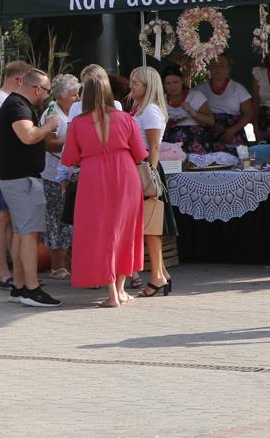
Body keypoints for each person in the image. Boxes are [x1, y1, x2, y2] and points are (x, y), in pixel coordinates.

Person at [61, 69, 148, 308]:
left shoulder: (78, 123)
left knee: (99, 232)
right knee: (125, 231)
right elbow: (140, 153)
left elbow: (70, 158)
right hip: (125, 175)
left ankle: (111, 292)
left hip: (93, 177)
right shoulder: (126, 119)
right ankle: (120, 289)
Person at [0, 69, 62, 308]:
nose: (47, 96)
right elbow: (28, 136)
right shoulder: (17, 106)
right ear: (37, 89)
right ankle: (32, 289)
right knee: (29, 234)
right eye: (47, 91)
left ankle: (19, 286)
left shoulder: (17, 104)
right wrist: (49, 126)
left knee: (22, 233)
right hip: (21, 180)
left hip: (20, 178)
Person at [0, 60, 30, 289]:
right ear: (19, 80)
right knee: (2, 219)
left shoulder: (8, 99)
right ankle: (3, 273)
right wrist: (22, 147)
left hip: (9, 169)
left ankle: (16, 271)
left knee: (10, 220)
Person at [129, 66, 173, 297]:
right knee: (147, 226)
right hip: (140, 168)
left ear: (148, 87)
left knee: (150, 226)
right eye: (131, 81)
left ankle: (157, 275)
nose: (131, 86)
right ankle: (161, 273)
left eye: (136, 82)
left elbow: (154, 147)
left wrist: (151, 176)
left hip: (146, 169)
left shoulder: (150, 111)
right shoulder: (139, 109)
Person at [42, 73, 80, 280]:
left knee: (69, 220)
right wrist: (74, 142)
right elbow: (49, 143)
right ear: (61, 96)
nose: (78, 98)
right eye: (74, 94)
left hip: (69, 173)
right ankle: (57, 266)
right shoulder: (52, 112)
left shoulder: (73, 110)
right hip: (53, 175)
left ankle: (70, 263)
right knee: (57, 219)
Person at [197, 55, 253, 149]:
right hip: (207, 130)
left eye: (222, 65)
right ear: (209, 68)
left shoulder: (238, 89)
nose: (218, 69)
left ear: (228, 69)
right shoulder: (199, 90)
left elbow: (249, 113)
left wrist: (233, 130)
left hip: (233, 130)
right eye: (214, 65)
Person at [162, 66, 214, 154]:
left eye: (175, 82)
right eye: (168, 83)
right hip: (170, 143)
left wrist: (192, 112)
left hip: (196, 140)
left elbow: (211, 121)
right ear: (163, 84)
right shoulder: (161, 99)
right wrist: (170, 123)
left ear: (182, 81)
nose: (172, 87)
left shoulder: (196, 96)